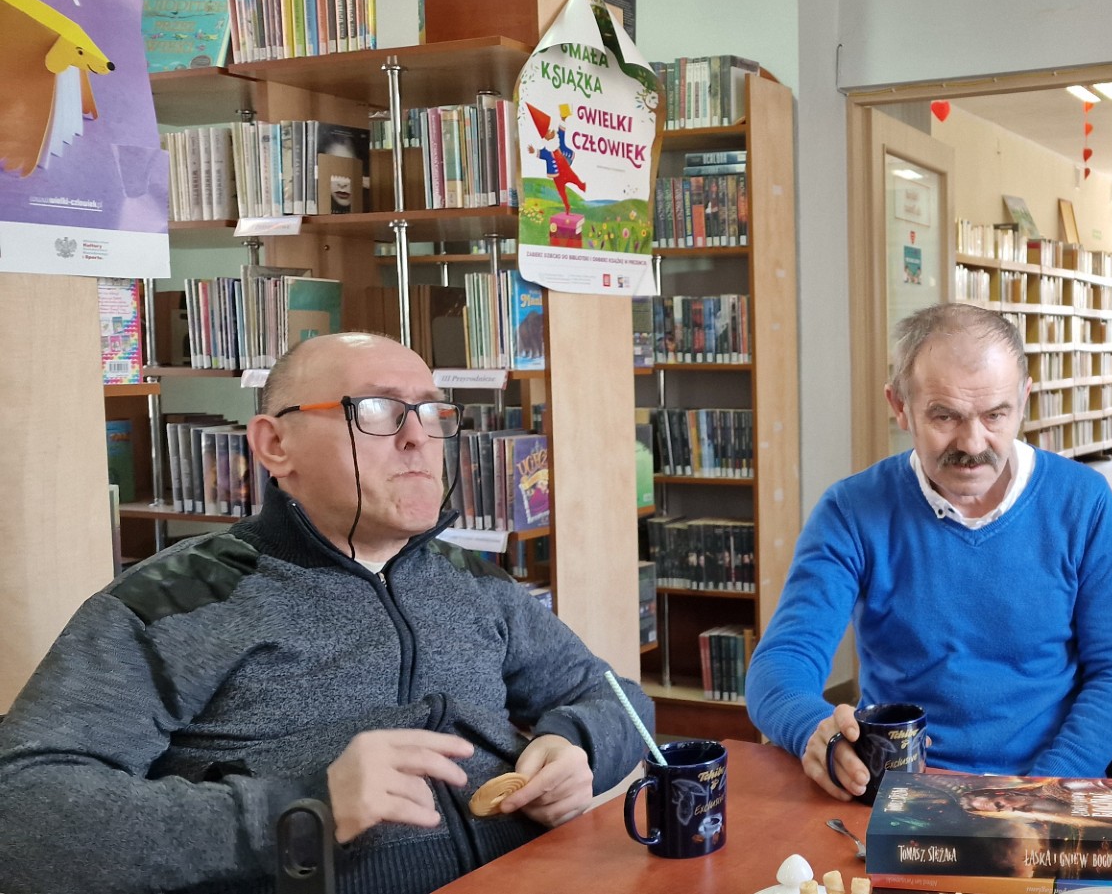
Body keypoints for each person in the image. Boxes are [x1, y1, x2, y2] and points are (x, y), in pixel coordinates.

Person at [0, 333, 656, 894]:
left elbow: (618, 699)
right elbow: (24, 815)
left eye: (432, 413)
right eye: (376, 411)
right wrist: (302, 808)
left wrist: (576, 746)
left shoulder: (474, 583)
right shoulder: (170, 603)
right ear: (274, 445)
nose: (417, 438)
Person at [746, 303, 1112, 801]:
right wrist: (813, 728)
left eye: (995, 415)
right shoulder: (852, 510)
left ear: (1024, 400)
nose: (973, 444)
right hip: (900, 786)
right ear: (900, 406)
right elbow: (782, 661)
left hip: (1046, 780)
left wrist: (1045, 787)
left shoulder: (1083, 502)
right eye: (945, 416)